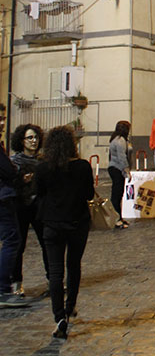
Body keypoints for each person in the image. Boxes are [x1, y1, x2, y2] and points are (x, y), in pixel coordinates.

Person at [35, 126, 94, 338]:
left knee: (55, 271)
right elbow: (89, 194)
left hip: (52, 223)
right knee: (74, 266)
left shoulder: (43, 168)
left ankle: (59, 316)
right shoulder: (83, 167)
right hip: (77, 222)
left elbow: (39, 193)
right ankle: (70, 307)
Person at [10, 124, 48, 296]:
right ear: (22, 141)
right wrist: (21, 181)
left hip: (39, 207)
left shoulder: (43, 161)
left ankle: (52, 280)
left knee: (46, 243)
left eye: (36, 138)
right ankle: (16, 283)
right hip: (20, 206)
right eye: (29, 138)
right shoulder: (14, 162)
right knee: (19, 245)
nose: (33, 141)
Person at [0, 108, 27, 308]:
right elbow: (8, 170)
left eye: (3, 119)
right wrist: (16, 170)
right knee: (12, 240)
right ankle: (3, 288)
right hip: (3, 197)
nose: (2, 123)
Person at [107, 121, 132, 229]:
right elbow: (122, 157)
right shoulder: (120, 140)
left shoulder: (116, 139)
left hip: (115, 168)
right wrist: (127, 171)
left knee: (118, 194)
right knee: (116, 195)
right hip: (117, 169)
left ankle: (119, 217)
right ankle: (116, 219)